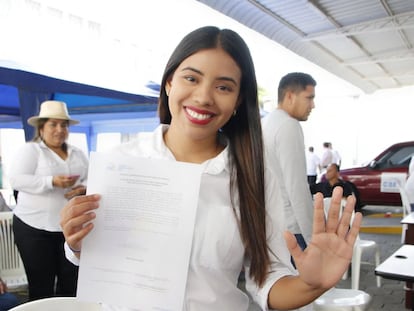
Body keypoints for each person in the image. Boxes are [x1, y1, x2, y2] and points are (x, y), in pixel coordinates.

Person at [60, 26, 361, 311]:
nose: (204, 97)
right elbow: (95, 259)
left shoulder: (253, 175)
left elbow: (267, 279)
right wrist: (76, 242)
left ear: (238, 100)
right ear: (169, 83)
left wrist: (311, 283)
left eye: (223, 87)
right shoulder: (121, 162)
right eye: (191, 78)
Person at [8, 100, 89, 301]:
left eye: (64, 125)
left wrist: (83, 189)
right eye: (53, 124)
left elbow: (90, 177)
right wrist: (51, 181)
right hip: (34, 228)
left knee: (70, 283)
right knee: (41, 285)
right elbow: (16, 179)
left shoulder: (77, 154)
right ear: (41, 128)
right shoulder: (31, 151)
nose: (59, 130)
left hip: (67, 230)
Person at [262, 72, 316, 251]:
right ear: (290, 96)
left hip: (270, 225)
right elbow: (297, 186)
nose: (313, 105)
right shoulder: (288, 125)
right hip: (292, 230)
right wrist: (312, 239)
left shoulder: (265, 123)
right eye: (309, 98)